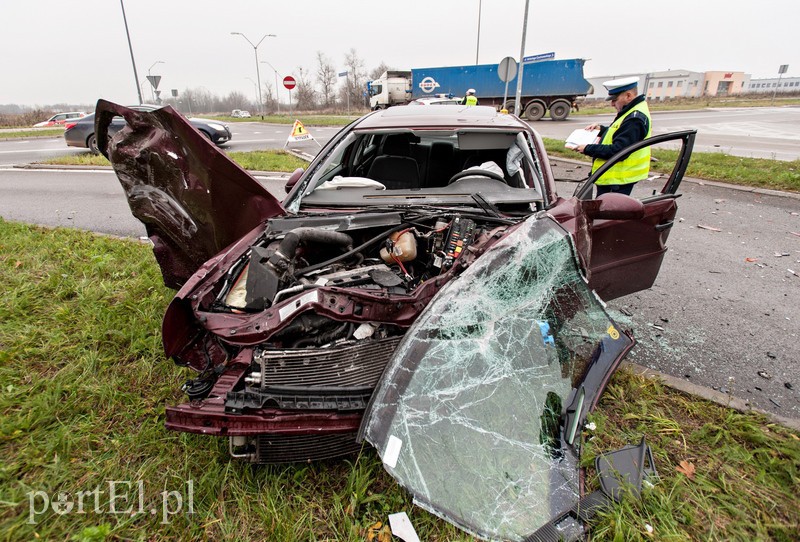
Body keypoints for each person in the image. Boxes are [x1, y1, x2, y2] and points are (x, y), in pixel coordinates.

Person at [573, 76, 651, 196]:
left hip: (617, 181)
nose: (612, 104)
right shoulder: (631, 111)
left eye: (615, 99)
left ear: (628, 96)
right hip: (614, 179)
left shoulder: (634, 119)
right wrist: (602, 130)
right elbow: (619, 133)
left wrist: (587, 148)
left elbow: (618, 151)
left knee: (607, 213)